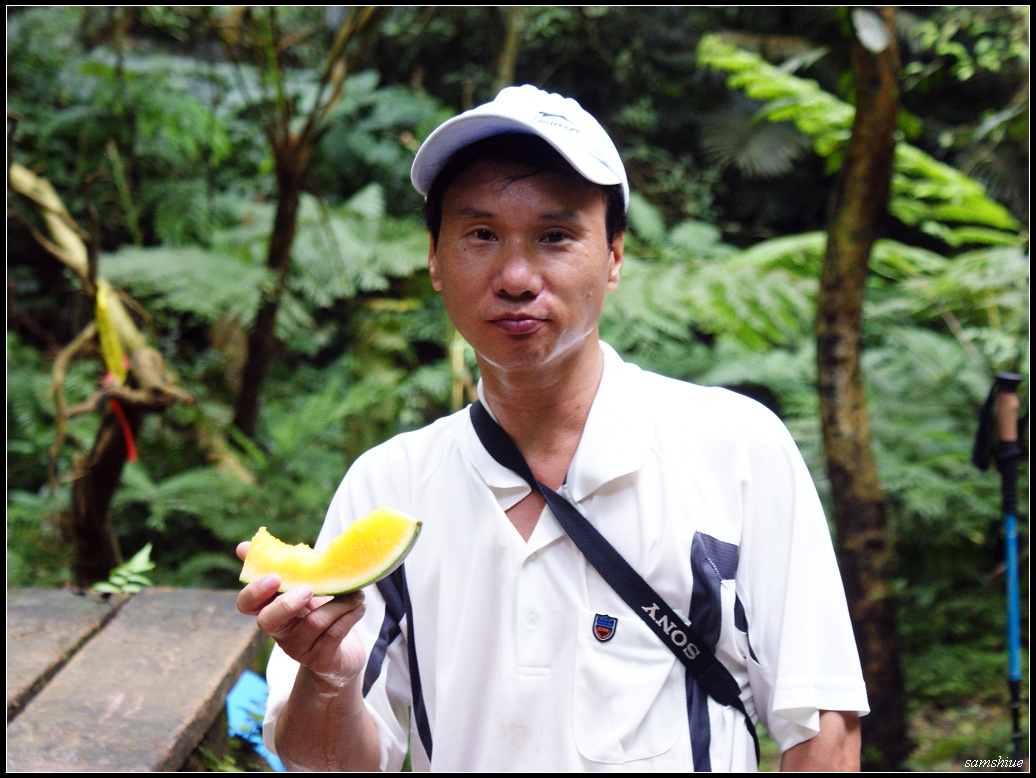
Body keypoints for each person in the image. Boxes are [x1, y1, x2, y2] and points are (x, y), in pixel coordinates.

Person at [237, 84, 869, 772]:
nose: (515, 276)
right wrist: (326, 674)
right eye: (480, 234)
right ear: (434, 260)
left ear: (615, 257)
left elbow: (824, 729)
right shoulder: (388, 486)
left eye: (555, 237)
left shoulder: (737, 448)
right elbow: (327, 763)